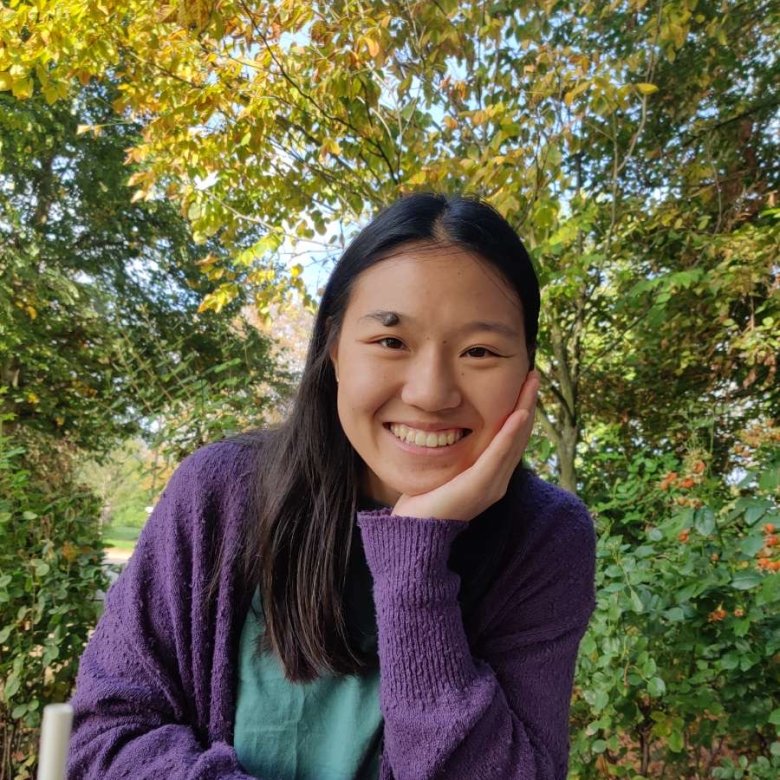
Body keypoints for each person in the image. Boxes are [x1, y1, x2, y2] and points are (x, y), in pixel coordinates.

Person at [66, 193, 596, 779]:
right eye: (391, 341)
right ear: (333, 351)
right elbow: (105, 739)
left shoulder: (546, 538)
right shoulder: (220, 492)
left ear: (526, 373)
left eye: (480, 351)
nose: (430, 392)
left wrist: (415, 562)